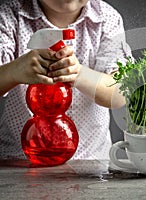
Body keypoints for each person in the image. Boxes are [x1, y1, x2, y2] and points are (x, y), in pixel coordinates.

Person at [0, 0, 131, 159]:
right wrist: (15, 71)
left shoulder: (106, 18)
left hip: (91, 164)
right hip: (19, 161)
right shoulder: (9, 14)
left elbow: (119, 94)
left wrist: (80, 75)